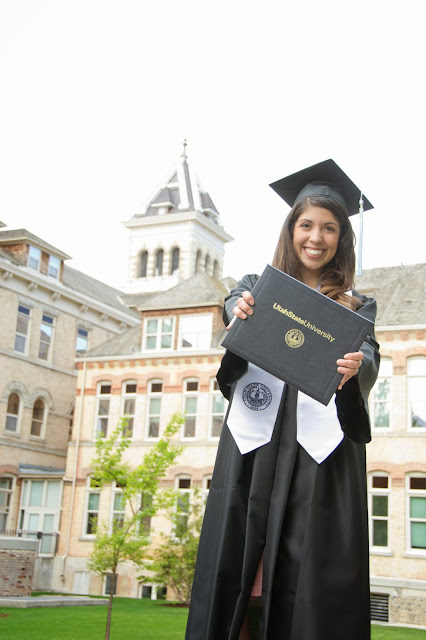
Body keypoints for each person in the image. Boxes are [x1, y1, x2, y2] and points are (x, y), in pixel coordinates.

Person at [185, 160, 380, 640]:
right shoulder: (256, 287)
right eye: (306, 224)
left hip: (319, 457)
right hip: (256, 448)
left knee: (308, 577)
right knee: (239, 574)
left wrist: (358, 365)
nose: (316, 237)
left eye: (329, 227)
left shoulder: (356, 305)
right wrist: (236, 311)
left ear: (342, 238)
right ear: (291, 230)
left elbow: (370, 355)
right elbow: (232, 310)